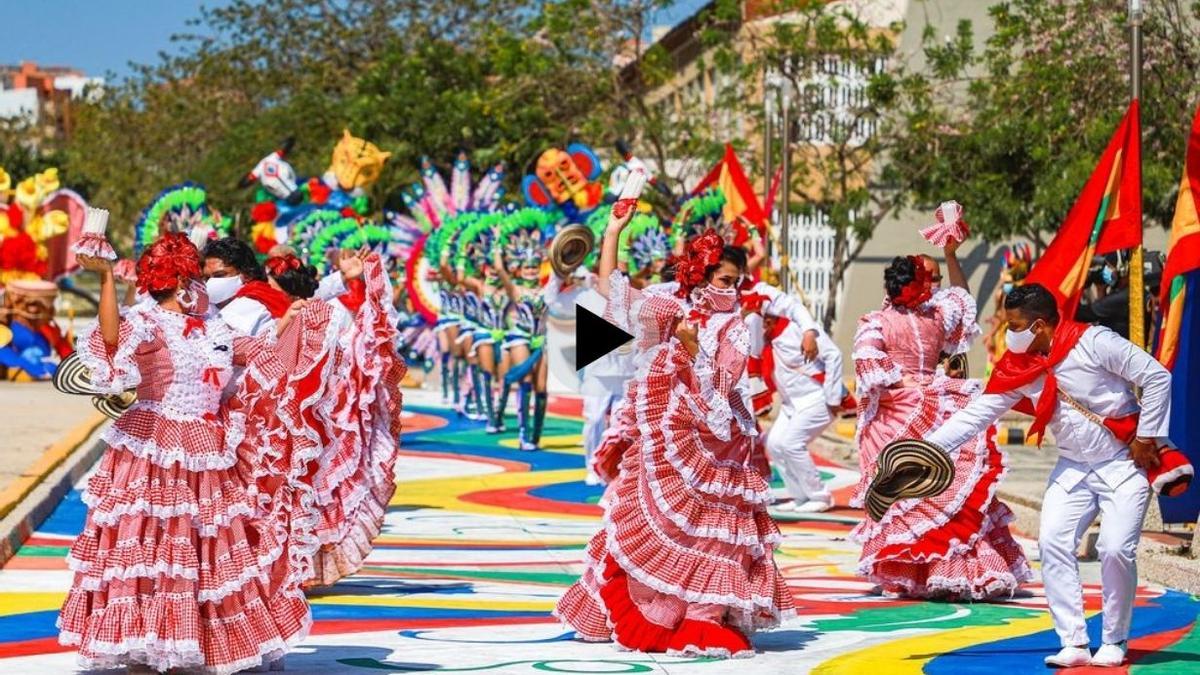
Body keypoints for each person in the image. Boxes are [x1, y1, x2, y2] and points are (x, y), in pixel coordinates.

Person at [62, 234, 314, 673]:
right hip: (153, 447)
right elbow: (110, 336)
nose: (204, 287)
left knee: (201, 556)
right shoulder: (147, 323)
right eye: (198, 278)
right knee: (148, 551)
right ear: (182, 285)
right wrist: (104, 277)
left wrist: (299, 321)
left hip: (207, 451)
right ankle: (145, 643)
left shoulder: (215, 327)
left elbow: (266, 356)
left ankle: (190, 643)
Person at [555, 203, 794, 657]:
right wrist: (613, 232)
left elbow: (722, 385)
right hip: (668, 440)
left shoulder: (734, 327)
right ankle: (653, 611)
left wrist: (692, 349)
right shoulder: (670, 304)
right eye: (724, 281)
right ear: (700, 277)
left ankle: (702, 616)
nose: (732, 290)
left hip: (718, 444)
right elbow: (613, 295)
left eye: (736, 282)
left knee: (715, 531)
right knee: (655, 520)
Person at [926, 283, 1171, 668]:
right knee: (1052, 543)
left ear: (1039, 326)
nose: (1009, 332)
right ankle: (1073, 641)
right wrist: (927, 448)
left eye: (1015, 324)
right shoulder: (1021, 365)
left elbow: (1157, 377)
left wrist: (1146, 437)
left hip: (1123, 461)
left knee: (1114, 549)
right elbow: (979, 413)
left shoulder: (1095, 342)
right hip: (1073, 466)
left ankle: (1115, 638)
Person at [850, 243, 1031, 600]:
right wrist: (950, 254)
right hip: (938, 401)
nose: (935, 286)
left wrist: (902, 381)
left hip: (898, 411)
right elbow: (962, 298)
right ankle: (954, 568)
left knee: (907, 491)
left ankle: (919, 571)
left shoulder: (878, 322)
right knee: (943, 488)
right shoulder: (935, 317)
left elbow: (867, 362)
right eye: (930, 280)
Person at [763, 315, 844, 513]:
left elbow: (834, 355)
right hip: (791, 404)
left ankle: (820, 496)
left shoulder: (801, 328)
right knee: (774, 444)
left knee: (791, 444)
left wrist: (833, 398)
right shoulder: (764, 338)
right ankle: (800, 495)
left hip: (817, 398)